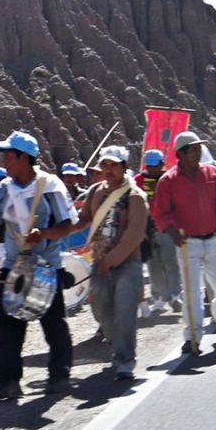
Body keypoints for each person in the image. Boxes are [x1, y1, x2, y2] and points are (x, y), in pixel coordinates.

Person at [0, 131, 78, 400]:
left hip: (47, 264)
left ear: (24, 158)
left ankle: (59, 376)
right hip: (13, 265)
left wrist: (43, 234)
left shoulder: (50, 185)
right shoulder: (3, 189)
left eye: (9, 155)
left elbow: (67, 223)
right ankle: (9, 381)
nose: (4, 161)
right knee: (7, 324)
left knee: (54, 323)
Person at [43, 146, 148, 380]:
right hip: (99, 262)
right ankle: (116, 342)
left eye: (114, 165)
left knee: (125, 311)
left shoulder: (135, 197)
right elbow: (83, 221)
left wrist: (110, 261)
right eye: (105, 165)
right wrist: (57, 230)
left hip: (127, 263)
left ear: (125, 167)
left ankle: (125, 359)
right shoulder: (95, 192)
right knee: (100, 309)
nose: (108, 170)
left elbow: (134, 236)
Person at [151, 132, 216, 354]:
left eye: (199, 149)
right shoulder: (167, 181)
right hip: (187, 243)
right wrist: (171, 231)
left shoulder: (211, 172)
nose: (198, 153)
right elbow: (160, 213)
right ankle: (192, 337)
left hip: (215, 238)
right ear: (180, 154)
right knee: (192, 293)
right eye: (193, 149)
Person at [134, 149, 182, 312]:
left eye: (155, 166)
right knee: (153, 264)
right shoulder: (138, 181)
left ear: (162, 164)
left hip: (167, 228)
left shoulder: (169, 179)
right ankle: (159, 295)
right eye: (149, 166)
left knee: (171, 262)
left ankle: (175, 294)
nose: (152, 169)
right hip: (147, 229)